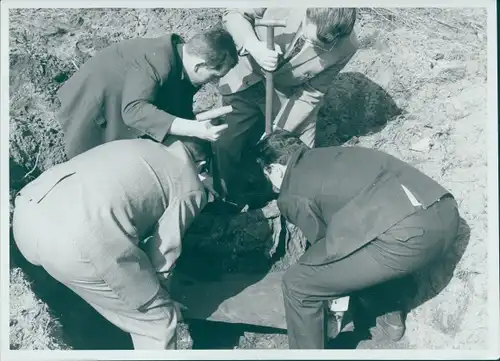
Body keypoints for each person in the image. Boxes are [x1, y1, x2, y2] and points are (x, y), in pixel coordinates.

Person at [253, 130, 460, 349]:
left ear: (275, 169)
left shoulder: (291, 193)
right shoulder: (338, 153)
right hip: (445, 213)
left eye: (268, 176)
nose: (272, 184)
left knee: (297, 284)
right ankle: (389, 313)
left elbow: (329, 250)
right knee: (366, 238)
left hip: (410, 242)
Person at [12, 137, 215, 349]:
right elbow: (164, 253)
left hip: (27, 215)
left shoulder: (142, 145)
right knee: (159, 323)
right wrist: (159, 300)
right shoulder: (190, 183)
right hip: (76, 243)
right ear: (202, 166)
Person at [213, 7, 359, 205]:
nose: (311, 47)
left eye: (323, 46)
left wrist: (279, 131)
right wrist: (254, 46)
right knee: (224, 146)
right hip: (246, 79)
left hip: (286, 92)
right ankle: (225, 197)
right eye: (310, 38)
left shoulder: (347, 47)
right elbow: (233, 13)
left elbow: (312, 93)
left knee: (300, 158)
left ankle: (288, 207)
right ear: (307, 12)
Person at [56, 26, 238, 159]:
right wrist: (195, 129)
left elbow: (177, 109)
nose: (213, 83)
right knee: (88, 164)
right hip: (94, 109)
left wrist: (198, 131)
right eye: (214, 76)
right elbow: (134, 111)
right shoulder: (157, 62)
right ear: (199, 66)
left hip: (121, 104)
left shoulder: (181, 61)